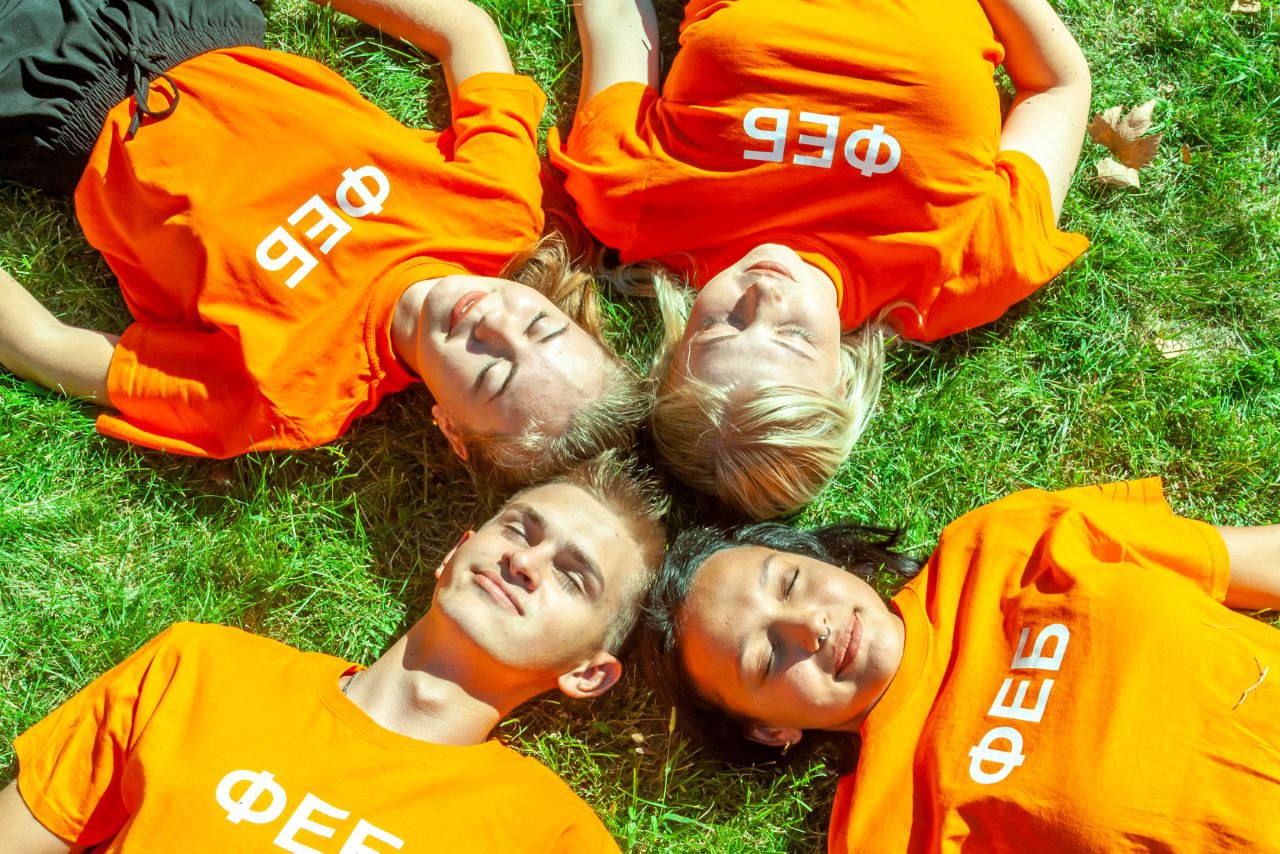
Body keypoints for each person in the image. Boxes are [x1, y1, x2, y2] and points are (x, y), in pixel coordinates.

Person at [0, 0, 648, 486]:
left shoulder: (287, 392)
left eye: (492, 373)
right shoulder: (498, 211)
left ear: (452, 429)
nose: (493, 324)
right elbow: (468, 35)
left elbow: (46, 346)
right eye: (539, 326)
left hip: (44, 89)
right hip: (199, 15)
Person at [552, 0, 1092, 517]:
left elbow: (617, 13)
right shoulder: (962, 268)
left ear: (676, 345)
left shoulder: (635, 203)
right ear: (841, 383)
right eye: (793, 336)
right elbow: (1055, 87)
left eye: (721, 326)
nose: (763, 295)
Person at [0, 450, 668, 851]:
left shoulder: (548, 835)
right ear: (453, 554)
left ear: (588, 674)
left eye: (572, 576)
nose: (525, 561)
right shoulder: (198, 668)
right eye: (520, 530)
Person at [641, 480, 1280, 850]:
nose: (811, 626)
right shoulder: (883, 833)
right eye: (767, 656)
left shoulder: (1002, 539)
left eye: (789, 583)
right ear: (769, 730)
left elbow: (1247, 564)